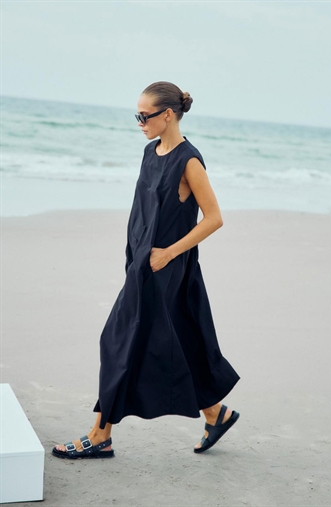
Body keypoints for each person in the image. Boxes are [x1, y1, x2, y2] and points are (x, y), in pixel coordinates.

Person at [52, 81, 240, 459]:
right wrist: (134, 256)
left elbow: (214, 218)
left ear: (167, 115)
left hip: (166, 268)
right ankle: (215, 413)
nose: (139, 123)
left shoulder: (189, 161)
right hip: (142, 265)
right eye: (137, 116)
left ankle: (100, 435)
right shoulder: (149, 152)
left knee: (118, 342)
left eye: (144, 116)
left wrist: (168, 254)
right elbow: (143, 212)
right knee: (180, 338)